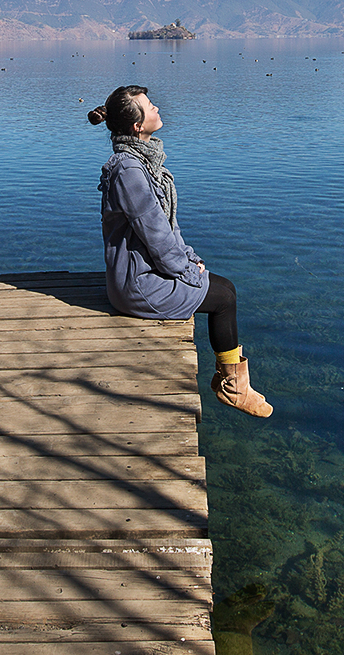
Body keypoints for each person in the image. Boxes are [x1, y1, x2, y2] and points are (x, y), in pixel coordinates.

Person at [88, 84, 272, 418]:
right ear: (137, 127)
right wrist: (186, 271)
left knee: (224, 288)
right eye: (150, 106)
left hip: (146, 273)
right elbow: (155, 233)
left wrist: (191, 258)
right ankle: (233, 388)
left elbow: (167, 225)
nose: (157, 107)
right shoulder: (129, 170)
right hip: (137, 285)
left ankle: (230, 382)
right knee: (223, 298)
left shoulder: (142, 162)